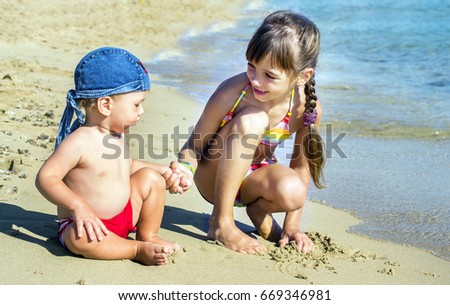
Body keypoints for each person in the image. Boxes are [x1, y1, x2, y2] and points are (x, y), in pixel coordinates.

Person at [173, 10, 326, 255]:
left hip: (254, 180)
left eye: (269, 75)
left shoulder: (306, 108)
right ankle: (221, 221)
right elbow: (194, 146)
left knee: (293, 191)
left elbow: (300, 168)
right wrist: (184, 169)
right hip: (213, 177)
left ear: (302, 77)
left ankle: (257, 209)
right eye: (252, 66)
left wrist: (292, 226)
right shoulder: (234, 91)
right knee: (255, 119)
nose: (255, 80)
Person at [35, 47, 183, 266]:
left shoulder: (117, 133)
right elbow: (45, 178)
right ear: (105, 105)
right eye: (136, 104)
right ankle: (135, 248)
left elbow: (125, 166)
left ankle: (148, 235)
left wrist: (162, 170)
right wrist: (78, 206)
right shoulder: (79, 142)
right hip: (87, 224)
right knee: (79, 239)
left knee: (151, 179)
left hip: (125, 213)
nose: (141, 111)